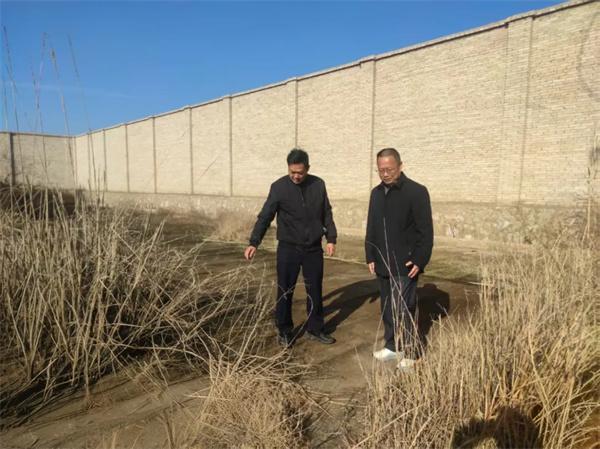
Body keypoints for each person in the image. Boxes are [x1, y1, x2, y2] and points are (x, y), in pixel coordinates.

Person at [244, 148, 337, 348]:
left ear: (307, 169)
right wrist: (254, 241)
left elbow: (326, 212)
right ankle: (284, 330)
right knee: (285, 290)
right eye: (292, 172)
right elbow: (265, 216)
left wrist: (331, 237)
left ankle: (315, 328)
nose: (296, 176)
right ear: (288, 168)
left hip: (313, 248)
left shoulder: (318, 185)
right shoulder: (279, 187)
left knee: (315, 289)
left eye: (300, 172)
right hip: (288, 248)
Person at [365, 147, 433, 366]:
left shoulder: (416, 192)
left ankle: (413, 352)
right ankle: (393, 346)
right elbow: (372, 227)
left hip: (406, 263)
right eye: (381, 170)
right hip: (382, 261)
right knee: (387, 308)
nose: (385, 174)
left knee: (404, 309)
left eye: (390, 169)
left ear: (400, 166)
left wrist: (420, 259)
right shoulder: (376, 193)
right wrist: (370, 254)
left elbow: (426, 231)